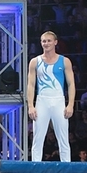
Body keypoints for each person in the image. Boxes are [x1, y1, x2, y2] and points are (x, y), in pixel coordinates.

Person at [27, 31, 76, 162]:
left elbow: (71, 84)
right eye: (44, 41)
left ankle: (66, 167)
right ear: (41, 43)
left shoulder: (64, 61)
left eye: (49, 41)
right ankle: (35, 167)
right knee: (37, 138)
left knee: (63, 138)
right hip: (42, 100)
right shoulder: (35, 62)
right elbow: (30, 85)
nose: (46, 43)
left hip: (59, 100)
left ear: (55, 42)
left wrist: (70, 104)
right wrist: (31, 106)